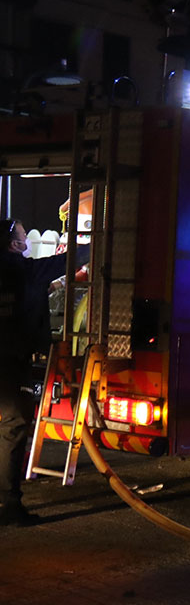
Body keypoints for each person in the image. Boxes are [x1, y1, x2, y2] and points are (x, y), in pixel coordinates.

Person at [1, 217, 73, 526]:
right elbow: (60, 264)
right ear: (15, 244)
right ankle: (9, 506)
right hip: (10, 362)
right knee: (14, 426)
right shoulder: (20, 269)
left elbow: (33, 288)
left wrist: (53, 284)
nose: (27, 240)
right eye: (22, 236)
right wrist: (90, 246)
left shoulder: (15, 272)